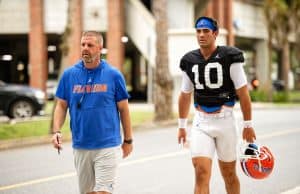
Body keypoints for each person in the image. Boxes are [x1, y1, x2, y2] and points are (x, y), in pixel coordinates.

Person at [177, 16, 256, 194]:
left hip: (225, 122)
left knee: (228, 173)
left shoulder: (229, 56)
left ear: (215, 33)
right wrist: (181, 125)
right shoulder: (189, 60)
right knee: (201, 172)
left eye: (206, 31)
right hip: (201, 122)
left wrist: (248, 124)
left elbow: (243, 93)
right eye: (198, 31)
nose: (201, 35)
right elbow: (184, 95)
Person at [51, 31, 133, 194]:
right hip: (81, 145)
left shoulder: (113, 75)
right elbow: (61, 106)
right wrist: (56, 131)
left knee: (103, 192)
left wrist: (128, 140)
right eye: (83, 45)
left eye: (90, 45)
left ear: (100, 48)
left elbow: (124, 109)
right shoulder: (69, 75)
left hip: (107, 145)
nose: (85, 48)